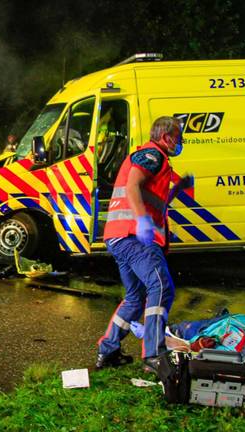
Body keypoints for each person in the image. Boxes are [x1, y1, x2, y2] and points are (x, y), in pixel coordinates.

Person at [96, 116, 193, 372]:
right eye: (179, 136)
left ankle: (108, 351)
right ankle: (154, 356)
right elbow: (133, 185)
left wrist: (178, 189)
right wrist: (141, 221)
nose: (181, 141)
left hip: (117, 236)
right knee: (161, 288)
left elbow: (156, 202)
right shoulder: (152, 155)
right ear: (166, 137)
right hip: (132, 236)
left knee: (135, 297)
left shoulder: (156, 161)